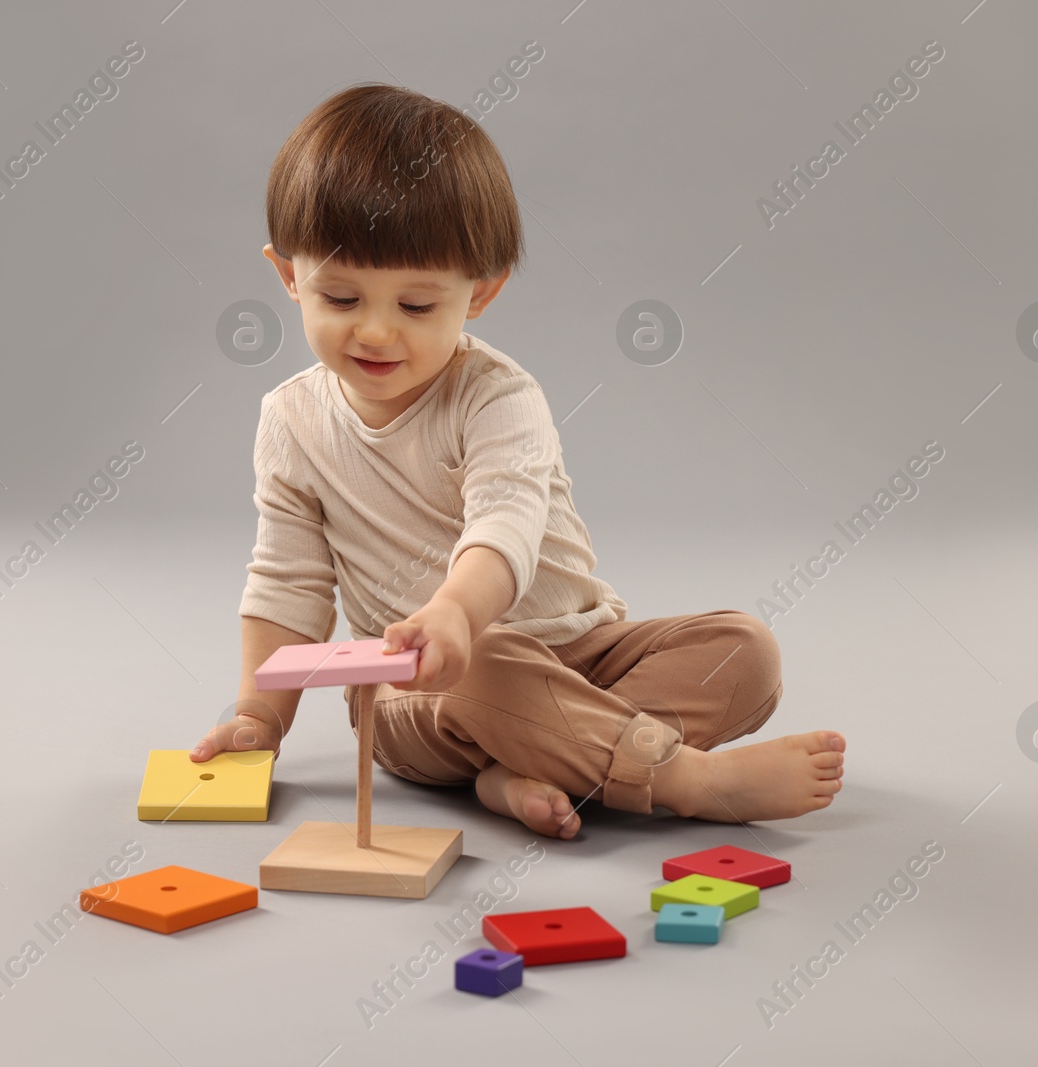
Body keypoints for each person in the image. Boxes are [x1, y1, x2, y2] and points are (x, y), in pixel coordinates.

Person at [190, 83, 844, 839]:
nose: (374, 331)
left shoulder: (498, 397)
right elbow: (287, 586)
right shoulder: (291, 420)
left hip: (582, 654)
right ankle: (684, 778)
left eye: (415, 306)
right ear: (288, 276)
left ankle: (525, 768)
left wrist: (457, 608)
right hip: (424, 690)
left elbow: (507, 522)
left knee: (745, 651)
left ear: (481, 293)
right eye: (339, 297)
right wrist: (257, 719)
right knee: (483, 664)